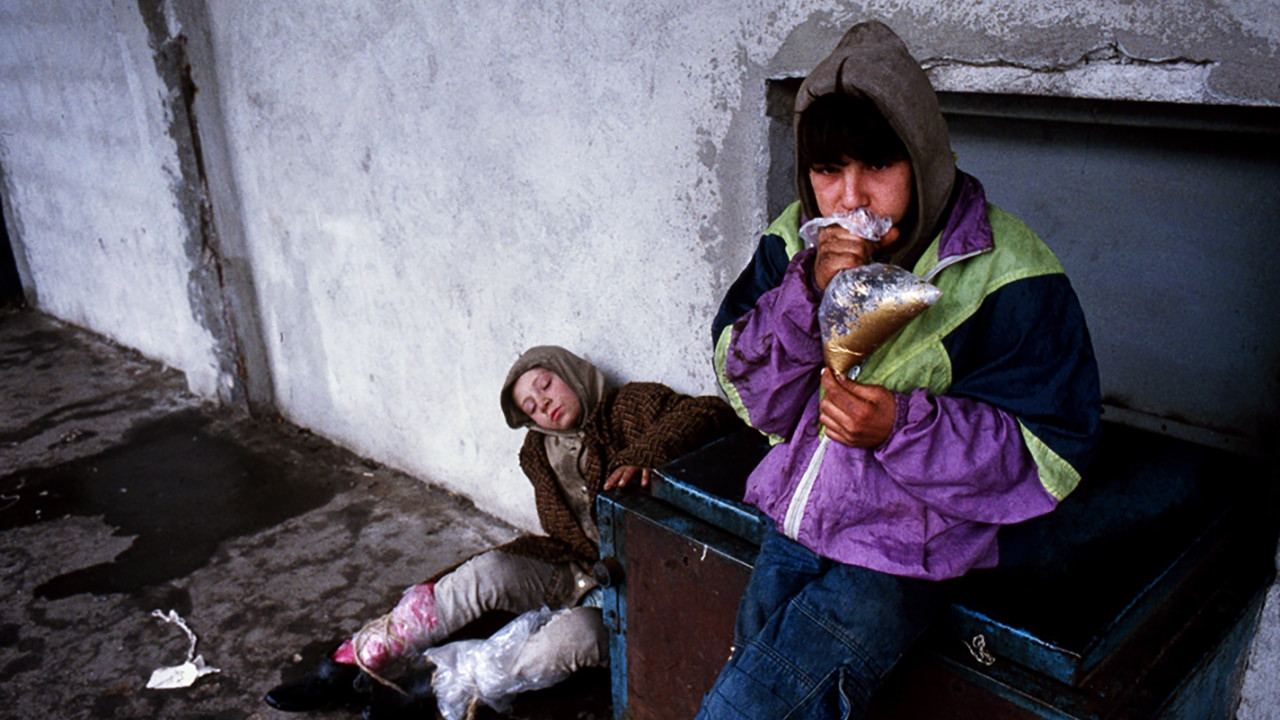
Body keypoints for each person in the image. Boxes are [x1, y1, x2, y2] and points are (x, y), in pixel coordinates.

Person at [700, 21, 1102, 720]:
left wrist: (898, 427)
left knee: (748, 710)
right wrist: (808, 293)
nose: (850, 198)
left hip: (905, 552)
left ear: (923, 159)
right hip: (799, 517)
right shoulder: (794, 241)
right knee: (750, 672)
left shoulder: (1008, 269)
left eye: (879, 165)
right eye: (827, 171)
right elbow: (750, 391)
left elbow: (1049, 451)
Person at [265, 345, 739, 719]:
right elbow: (565, 539)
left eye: (546, 384)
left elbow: (708, 412)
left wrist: (644, 455)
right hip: (580, 570)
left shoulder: (629, 407)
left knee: (574, 637)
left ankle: (437, 690)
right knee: (486, 571)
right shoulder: (539, 452)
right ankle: (354, 662)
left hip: (642, 590)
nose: (543, 404)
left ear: (570, 372)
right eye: (530, 406)